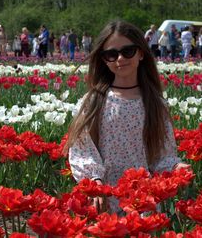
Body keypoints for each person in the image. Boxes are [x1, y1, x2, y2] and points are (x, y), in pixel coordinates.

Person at [67, 20, 189, 214]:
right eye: (111, 54)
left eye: (128, 51)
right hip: (106, 200)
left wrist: (176, 166)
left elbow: (161, 155)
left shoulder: (155, 103)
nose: (120, 59)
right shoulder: (93, 102)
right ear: (103, 59)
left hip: (143, 201)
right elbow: (83, 149)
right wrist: (94, 182)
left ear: (141, 53)